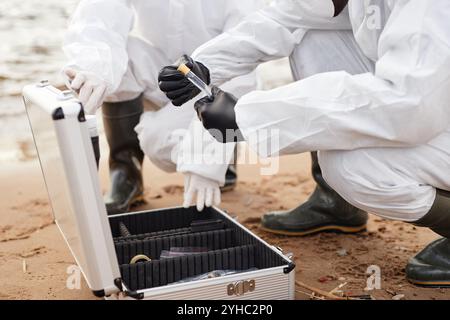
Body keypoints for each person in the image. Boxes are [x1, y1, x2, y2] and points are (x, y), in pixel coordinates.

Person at [159, 0, 450, 287]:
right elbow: (291, 16)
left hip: (422, 110)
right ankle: (336, 201)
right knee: (312, 31)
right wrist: (205, 64)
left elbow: (407, 106)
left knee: (354, 167)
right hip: (429, 108)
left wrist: (250, 115)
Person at [62, 0, 263, 214]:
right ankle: (125, 174)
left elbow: (245, 55)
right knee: (116, 54)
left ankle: (225, 154)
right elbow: (100, 14)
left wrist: (206, 154)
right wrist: (94, 67)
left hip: (218, 83)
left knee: (155, 139)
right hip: (167, 72)